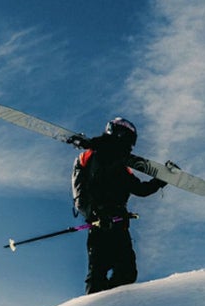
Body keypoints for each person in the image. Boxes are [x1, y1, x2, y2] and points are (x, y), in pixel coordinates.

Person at [71, 117, 167, 294]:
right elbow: (81, 193)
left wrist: (161, 179)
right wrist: (94, 214)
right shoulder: (92, 156)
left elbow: (140, 189)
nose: (126, 140)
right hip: (100, 224)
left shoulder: (122, 167)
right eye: (123, 134)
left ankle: (114, 304)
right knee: (98, 273)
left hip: (119, 223)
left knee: (127, 272)